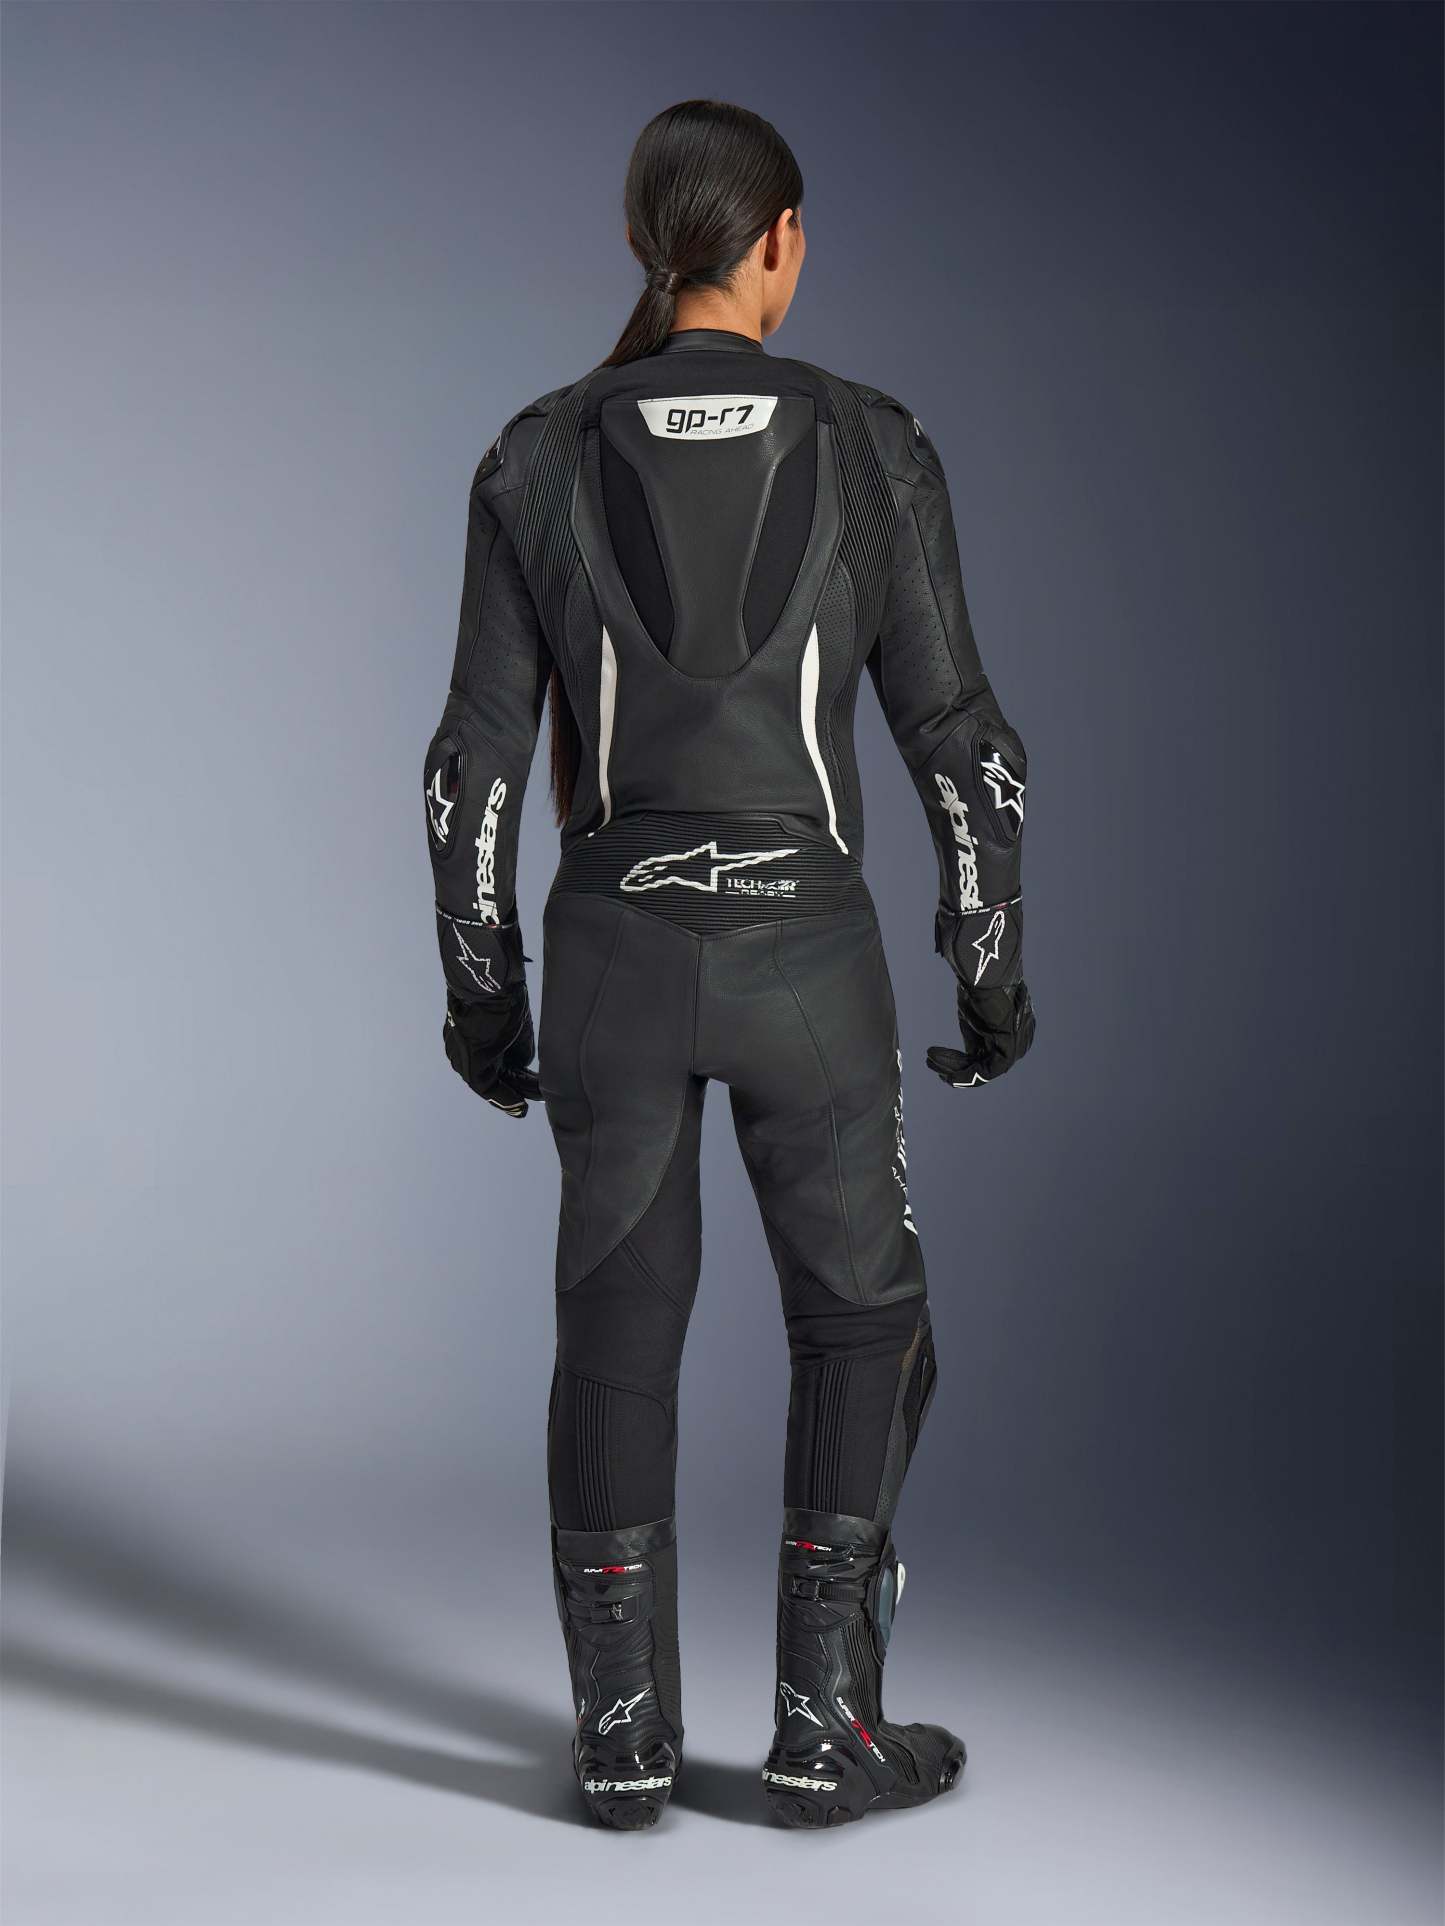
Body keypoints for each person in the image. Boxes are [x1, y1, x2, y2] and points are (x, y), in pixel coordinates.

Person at [422, 99, 1035, 1831]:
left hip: (609, 956)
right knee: (863, 1323)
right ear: (779, 242)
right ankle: (821, 1731)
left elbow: (470, 772)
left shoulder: (536, 451)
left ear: (643, 243)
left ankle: (620, 1742)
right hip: (808, 962)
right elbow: (966, 745)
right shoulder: (871, 442)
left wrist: (483, 1001)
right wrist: (991, 977)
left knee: (613, 1324)